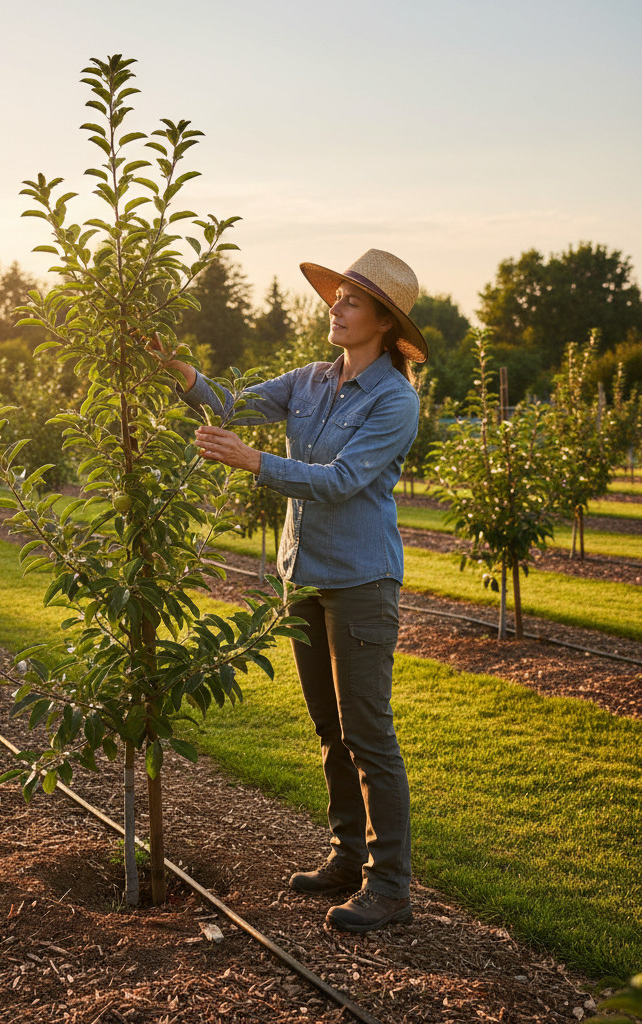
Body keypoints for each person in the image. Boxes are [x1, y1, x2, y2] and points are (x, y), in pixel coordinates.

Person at [153, 249, 427, 933]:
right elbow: (229, 404)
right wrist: (179, 370)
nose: (334, 307)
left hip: (361, 582)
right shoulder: (309, 380)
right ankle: (346, 854)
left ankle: (390, 886)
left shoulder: (396, 401)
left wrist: (253, 461)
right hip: (304, 578)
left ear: (384, 324)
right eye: (335, 298)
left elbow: (339, 480)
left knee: (369, 733)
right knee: (330, 729)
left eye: (351, 302)